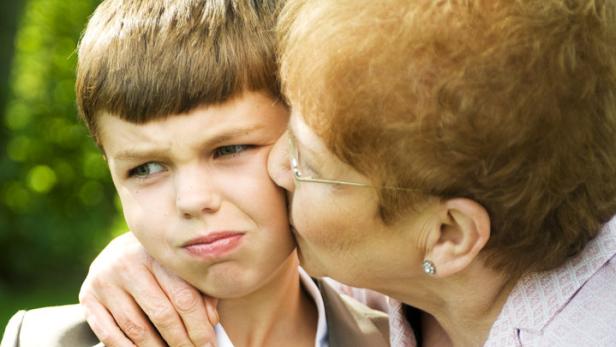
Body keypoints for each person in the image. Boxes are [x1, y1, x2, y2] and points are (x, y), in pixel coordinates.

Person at [76, 0, 616, 346]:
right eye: (147, 168)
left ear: (448, 235)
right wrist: (139, 255)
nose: (277, 169)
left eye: (307, 164)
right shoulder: (401, 274)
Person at [0, 1, 390, 347]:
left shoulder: (401, 337)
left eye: (229, 150)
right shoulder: (40, 341)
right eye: (145, 169)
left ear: (304, 140)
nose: (191, 200)